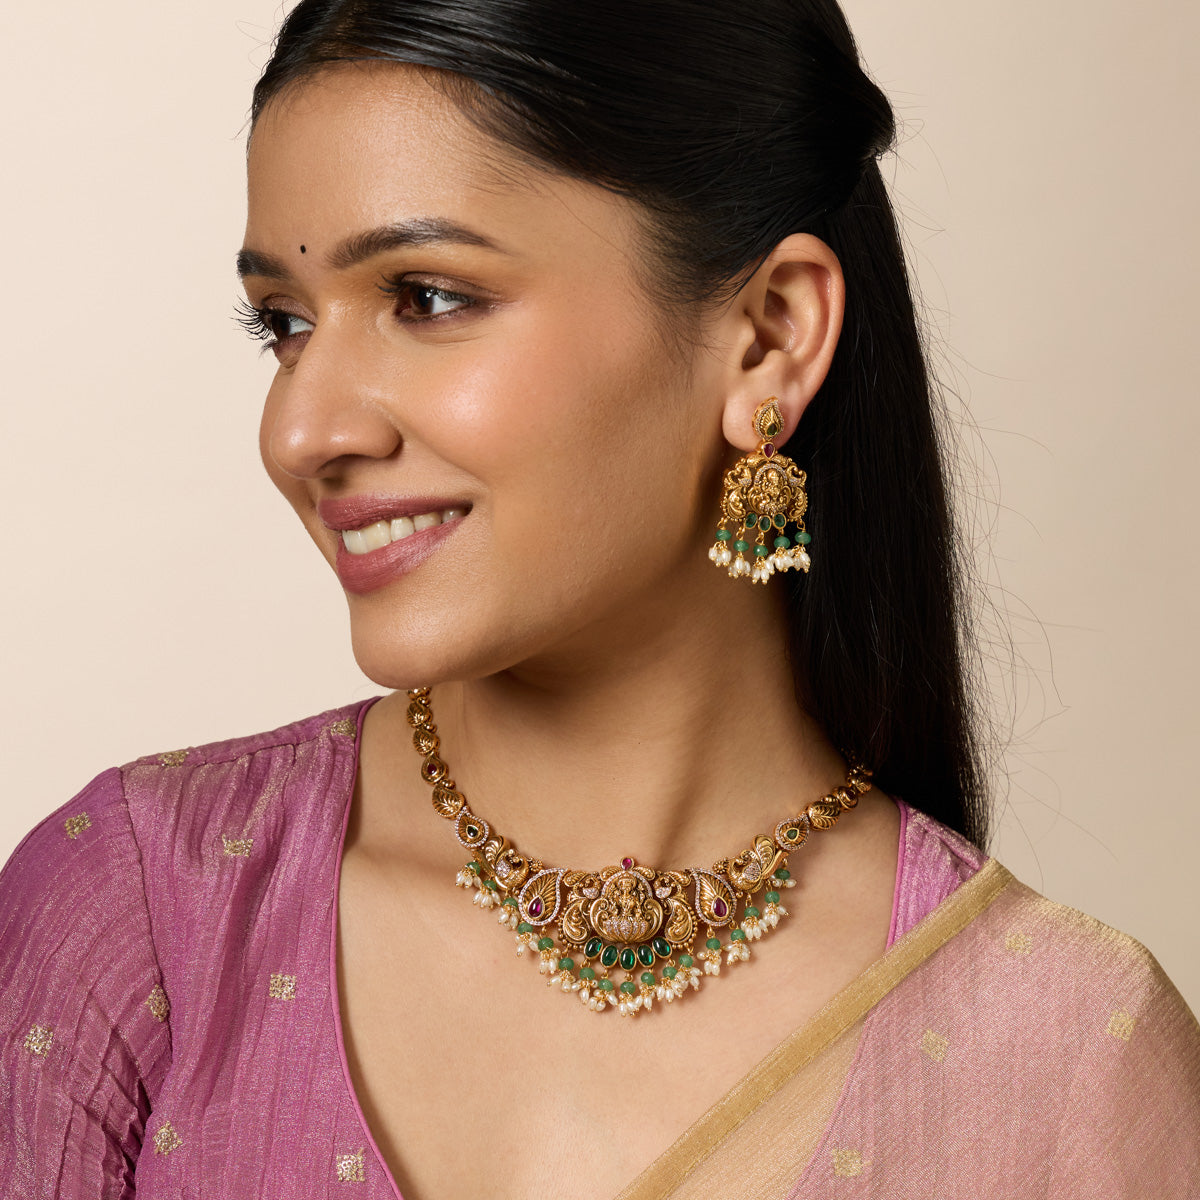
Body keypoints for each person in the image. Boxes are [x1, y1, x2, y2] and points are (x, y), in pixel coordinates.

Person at [2, 1, 1197, 1196]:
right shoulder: (140, 921)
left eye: (427, 297)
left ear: (770, 336)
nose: (301, 430)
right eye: (285, 324)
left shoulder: (1061, 1056)